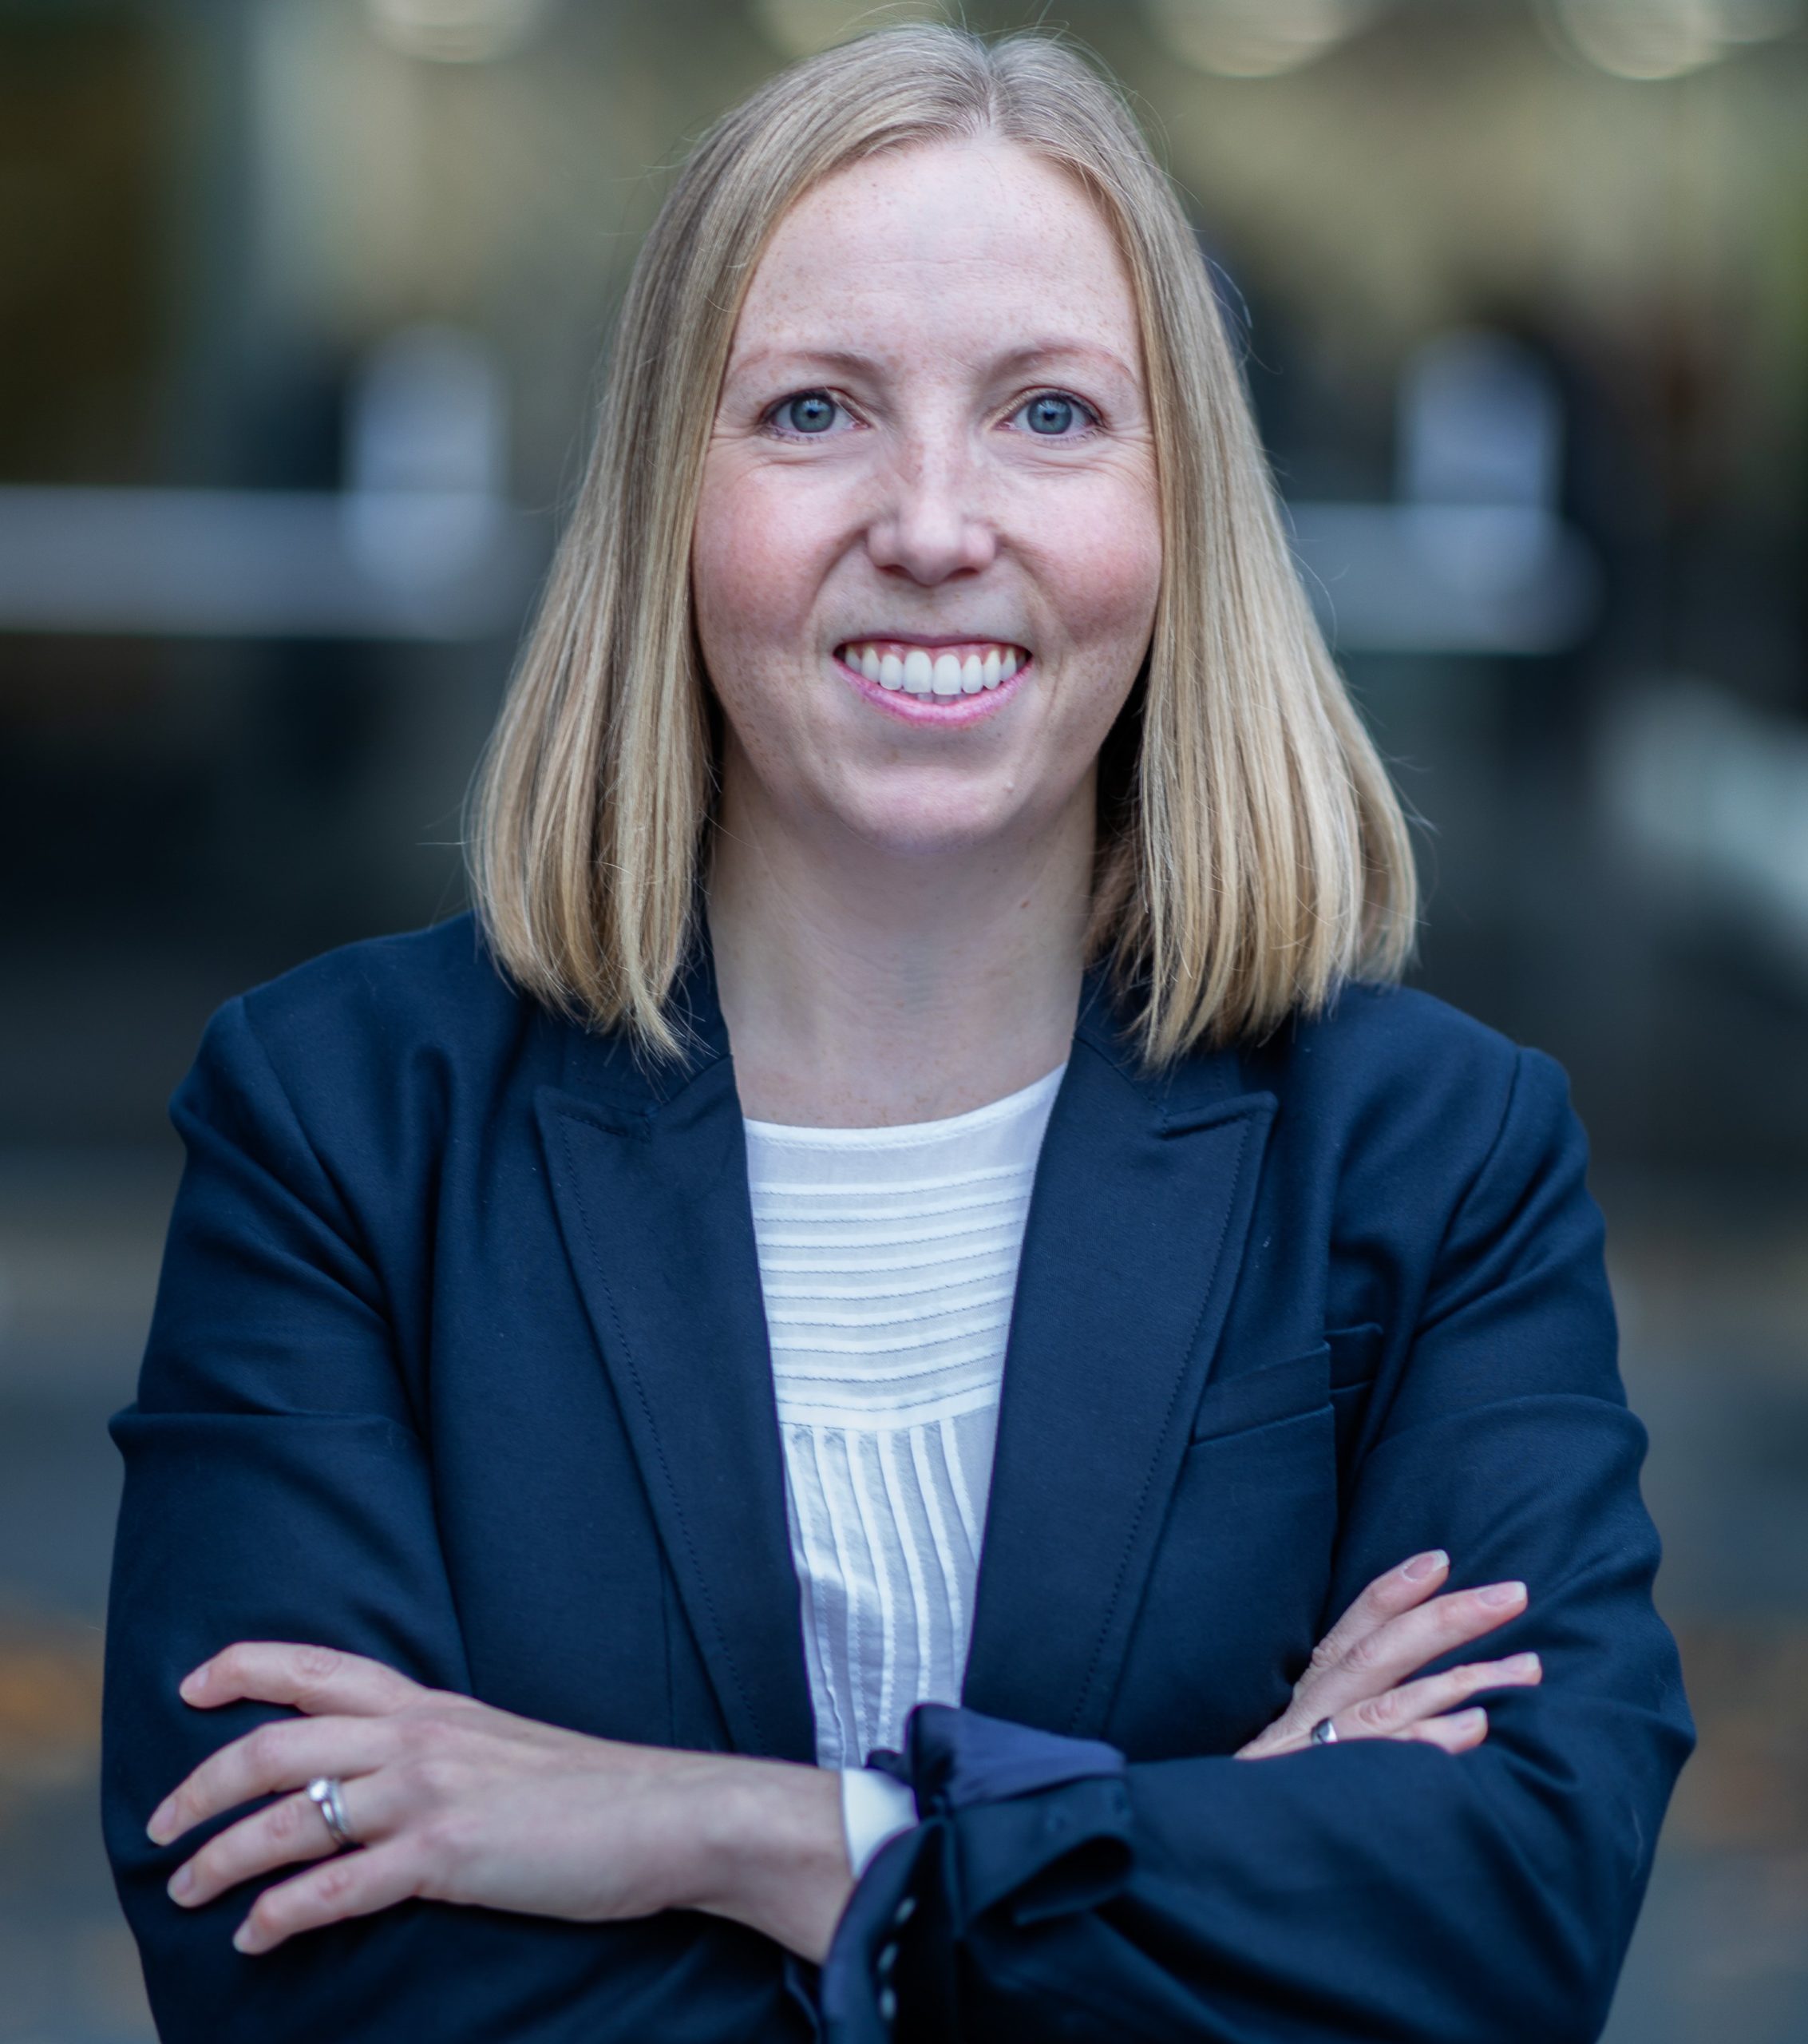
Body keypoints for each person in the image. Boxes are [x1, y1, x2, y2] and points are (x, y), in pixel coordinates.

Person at [101, 26, 1692, 2042]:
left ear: (1179, 509)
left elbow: (1501, 1924)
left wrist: (758, 1836)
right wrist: (1184, 1852)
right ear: (666, 498)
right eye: (811, 410)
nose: (933, 520)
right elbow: (293, 1962)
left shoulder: (1431, 1157)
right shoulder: (339, 1127)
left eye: (1046, 412)